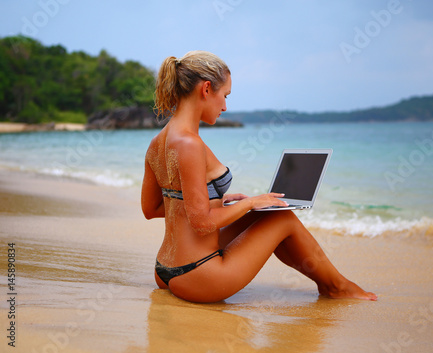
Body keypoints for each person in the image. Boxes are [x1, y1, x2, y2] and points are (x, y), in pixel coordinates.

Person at [141, 50, 377, 303]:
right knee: (283, 218)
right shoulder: (190, 144)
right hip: (198, 274)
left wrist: (213, 199)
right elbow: (201, 222)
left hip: (165, 269)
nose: (224, 106)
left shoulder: (159, 141)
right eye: (225, 96)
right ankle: (336, 286)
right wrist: (250, 202)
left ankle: (330, 285)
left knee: (267, 212)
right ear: (206, 89)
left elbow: (152, 208)